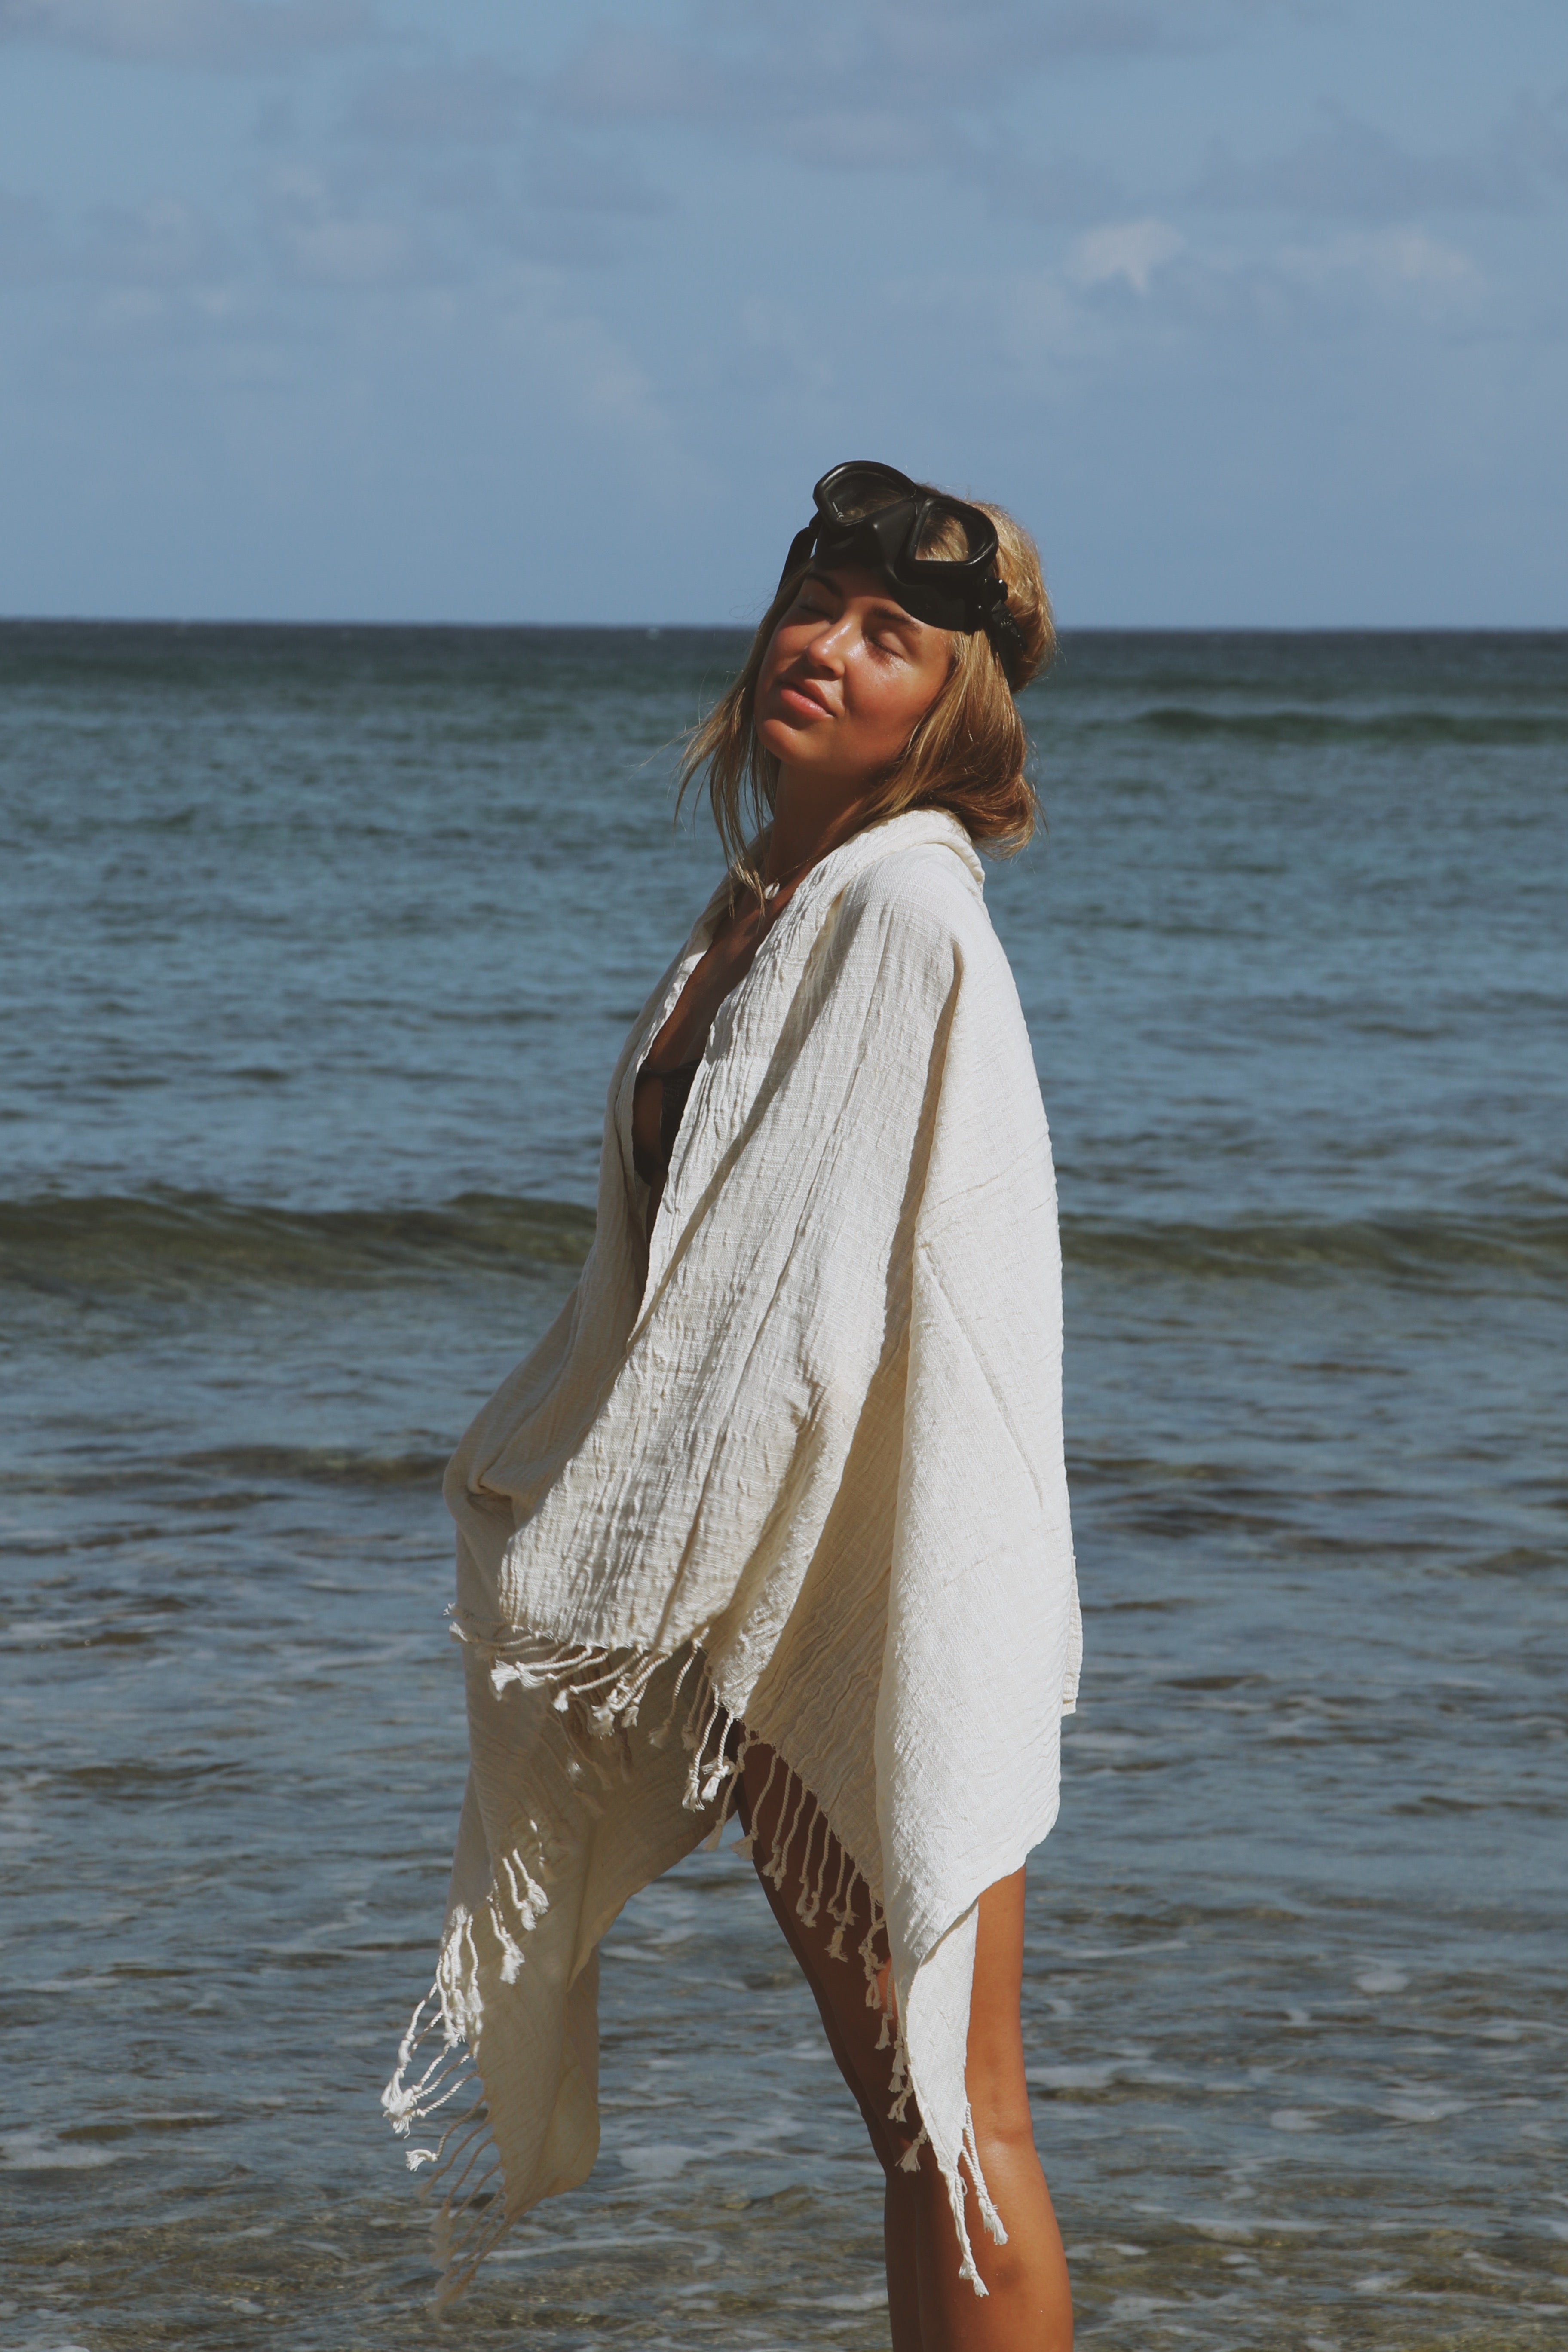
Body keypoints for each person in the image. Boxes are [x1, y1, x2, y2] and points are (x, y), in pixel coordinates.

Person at [385, 463, 1082, 2352]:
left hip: (878, 1574)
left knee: (957, 2111)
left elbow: (793, 1328)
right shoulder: (762, 906)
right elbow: (684, 1292)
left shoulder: (900, 915)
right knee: (906, 2119)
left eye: (886, 636)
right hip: (779, 1588)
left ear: (951, 705)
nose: (825, 649)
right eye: (816, 601)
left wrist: (622, 1560)